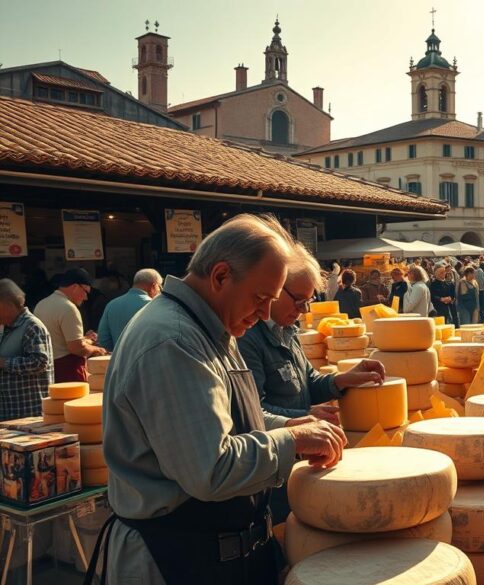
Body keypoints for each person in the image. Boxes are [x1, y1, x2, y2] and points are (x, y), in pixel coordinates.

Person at [94, 214, 351, 585]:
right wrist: (291, 441)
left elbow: (227, 420)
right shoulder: (174, 340)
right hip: (177, 558)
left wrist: (287, 424)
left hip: (214, 552)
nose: (265, 314)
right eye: (260, 298)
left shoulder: (212, 326)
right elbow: (210, 468)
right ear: (220, 276)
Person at [239, 243, 386, 523]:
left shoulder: (287, 330)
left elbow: (307, 380)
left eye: (308, 302)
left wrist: (344, 378)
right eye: (298, 300)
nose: (303, 310)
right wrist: (305, 418)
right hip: (275, 470)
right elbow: (252, 411)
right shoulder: (248, 338)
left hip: (304, 459)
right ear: (275, 288)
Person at [34, 268, 107, 382]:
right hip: (67, 371)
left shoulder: (41, 304)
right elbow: (76, 348)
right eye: (86, 292)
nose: (86, 297)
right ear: (75, 287)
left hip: (47, 370)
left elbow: (58, 339)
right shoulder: (69, 308)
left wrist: (86, 340)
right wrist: (97, 349)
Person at [0, 280, 53, 420]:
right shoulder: (6, 327)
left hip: (29, 413)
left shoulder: (32, 326)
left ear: (8, 305)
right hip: (9, 410)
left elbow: (39, 362)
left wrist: (3, 363)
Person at [97, 268, 163, 351]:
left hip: (119, 361)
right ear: (154, 286)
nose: (160, 291)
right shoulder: (155, 306)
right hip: (148, 361)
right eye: (160, 287)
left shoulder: (111, 305)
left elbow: (103, 340)